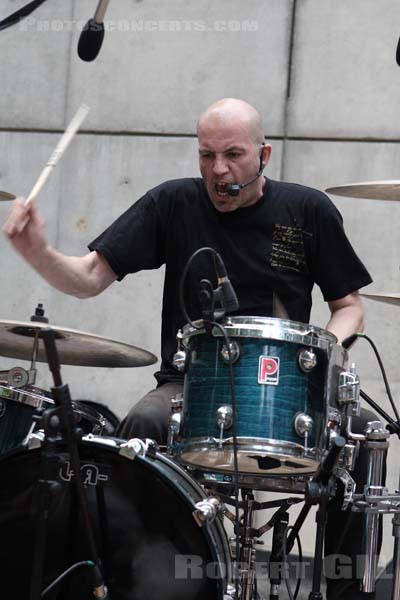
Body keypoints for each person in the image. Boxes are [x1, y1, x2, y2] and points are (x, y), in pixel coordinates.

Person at [3, 98, 380, 598]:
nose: (218, 170)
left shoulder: (307, 210)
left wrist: (326, 350)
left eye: (233, 154)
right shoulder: (173, 203)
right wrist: (39, 253)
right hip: (190, 384)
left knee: (357, 436)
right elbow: (88, 278)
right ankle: (146, 582)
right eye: (206, 155)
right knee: (141, 426)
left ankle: (346, 591)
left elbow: (349, 306)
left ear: (263, 155)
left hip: (281, 384)